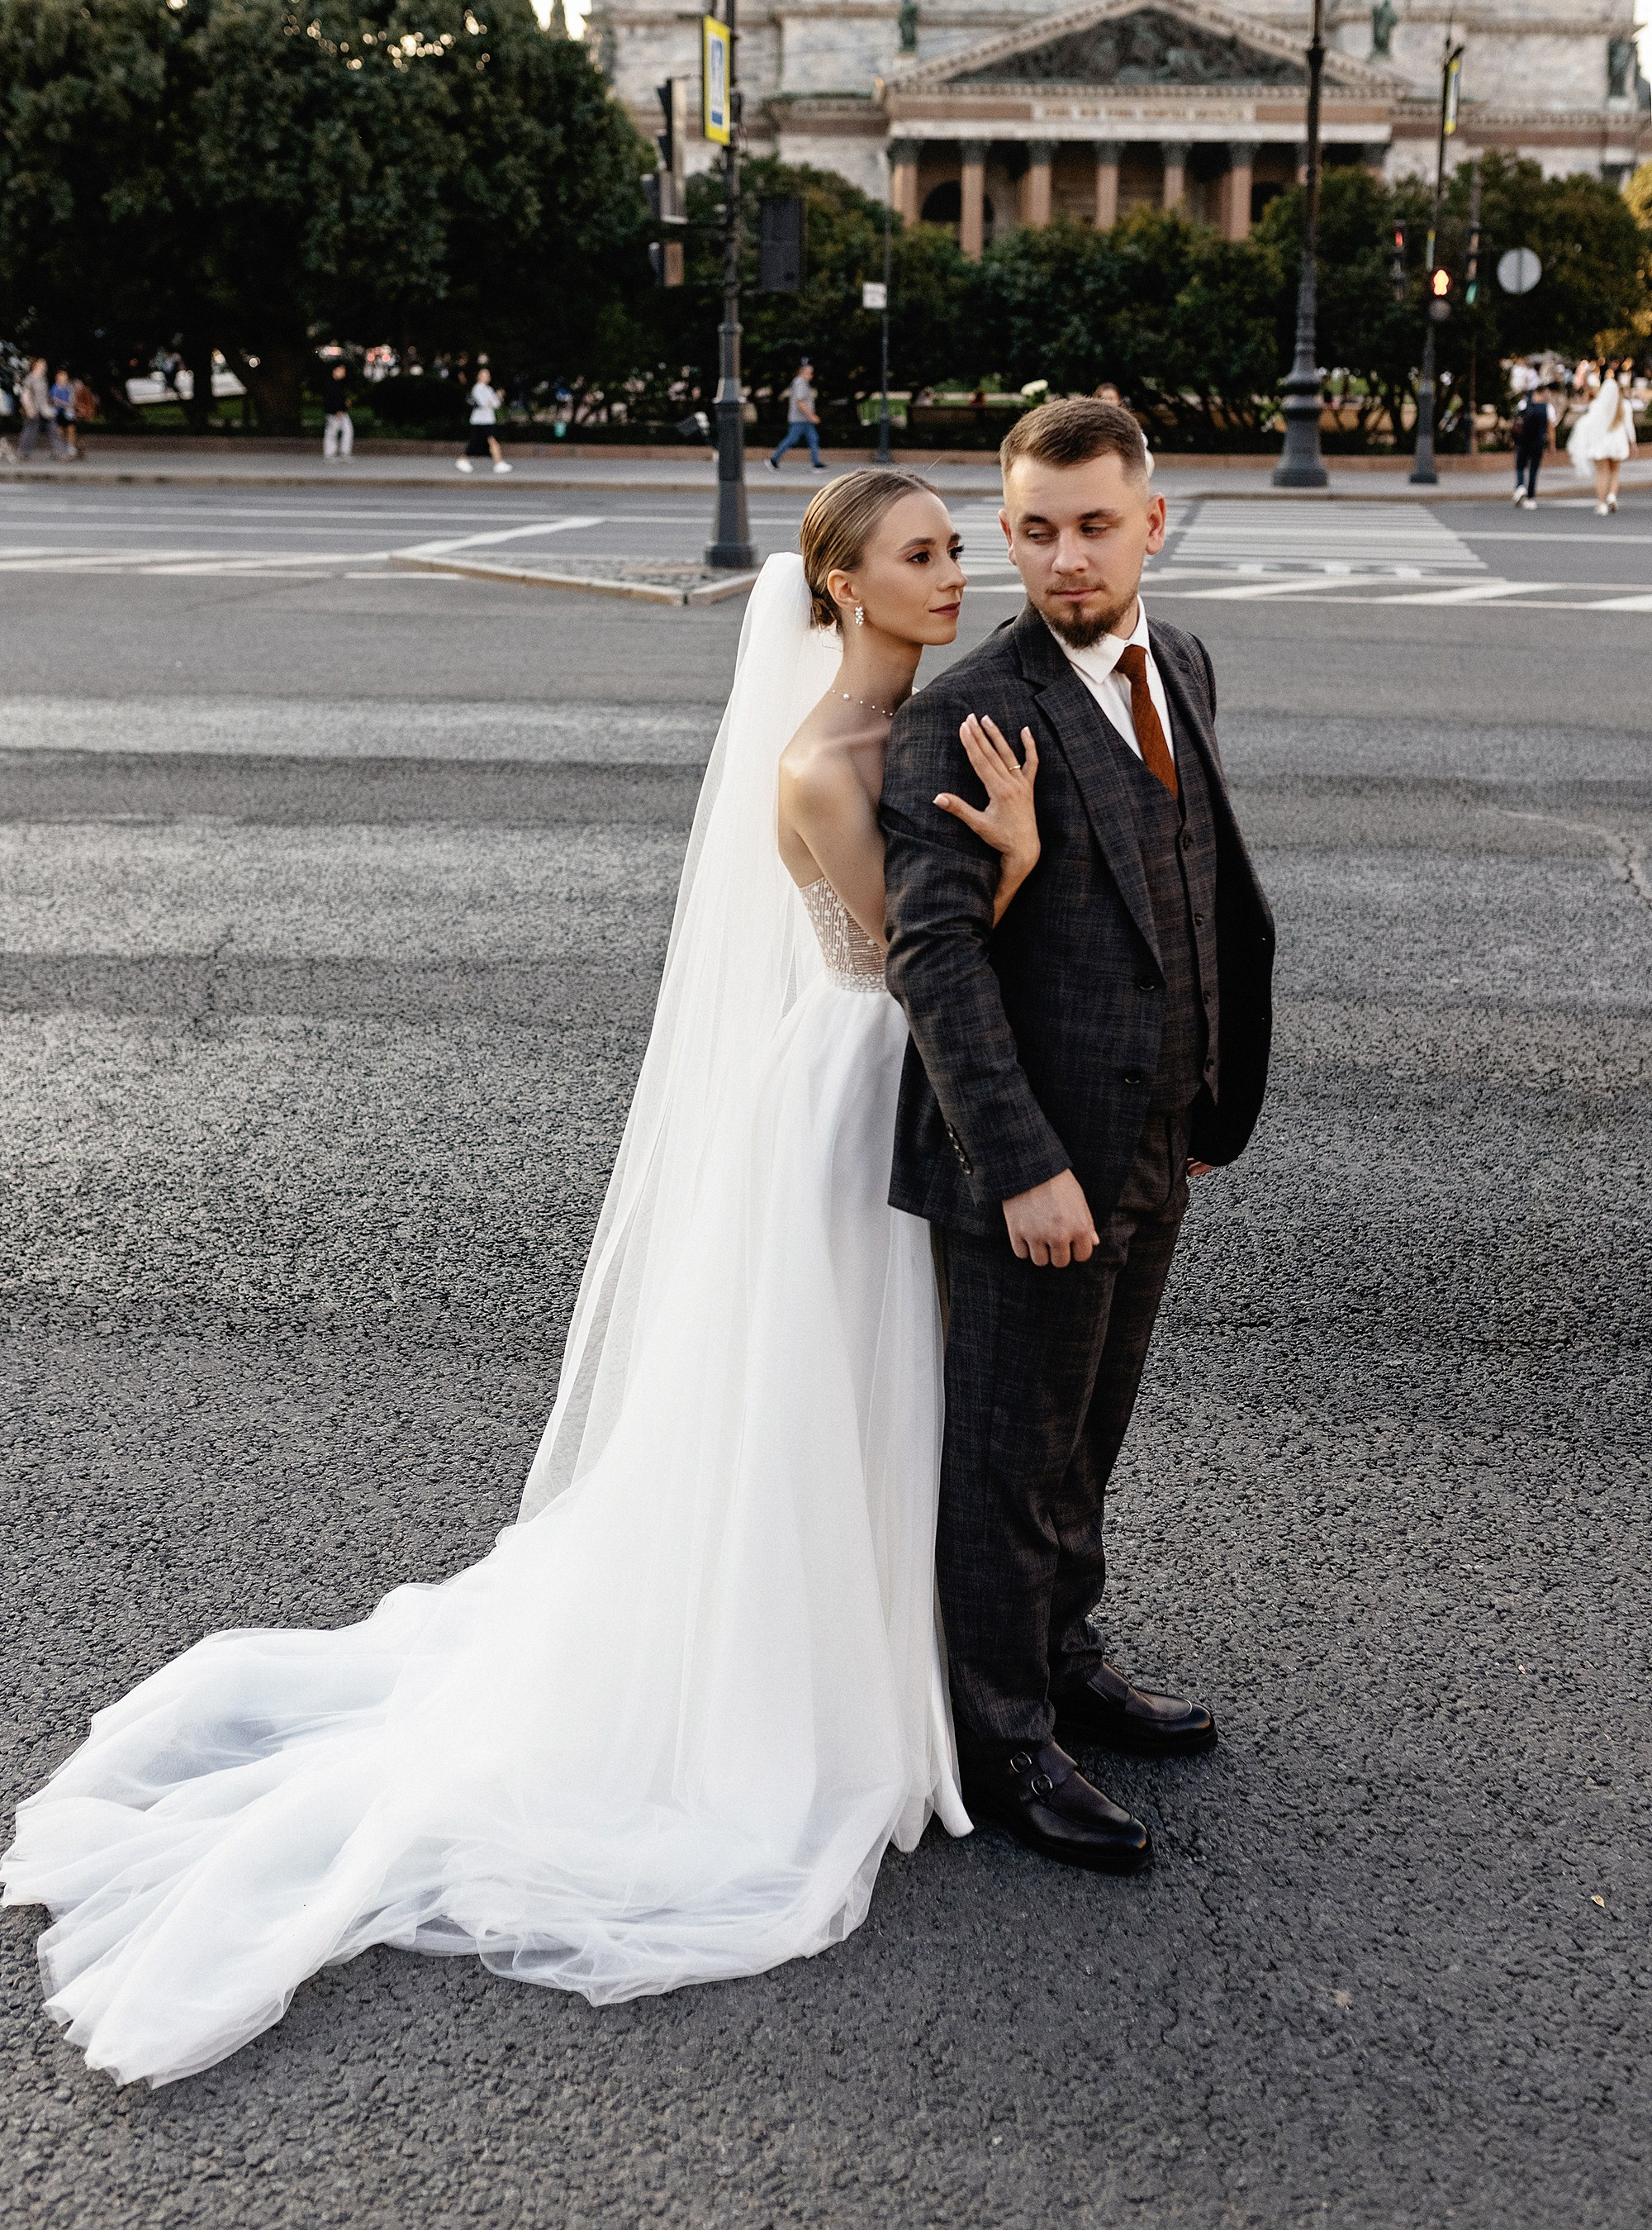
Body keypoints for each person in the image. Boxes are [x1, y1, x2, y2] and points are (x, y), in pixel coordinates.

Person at [2, 468, 1044, 2088]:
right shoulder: (826, 759)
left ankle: (909, 1656)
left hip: (890, 1084)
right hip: (853, 1093)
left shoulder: (923, 721)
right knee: (829, 1387)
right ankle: (816, 1694)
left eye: (952, 548)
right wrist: (1021, 865)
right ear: (840, 588)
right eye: (921, 555)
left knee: (888, 1390)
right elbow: (920, 957)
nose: (951, 573)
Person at [880, 397, 1275, 1872]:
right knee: (1010, 1443)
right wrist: (1026, 1165)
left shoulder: (1181, 658)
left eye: (1094, 525)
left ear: (1151, 524)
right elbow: (937, 959)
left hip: (1163, 1122)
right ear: (1008, 530)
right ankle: (1005, 1733)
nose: (1064, 560)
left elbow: (1201, 883)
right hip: (1035, 1154)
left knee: (1090, 1425)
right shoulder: (967, 706)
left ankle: (1064, 1652)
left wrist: (1210, 1096)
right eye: (1035, 531)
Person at [1567, 359, 1634, 513]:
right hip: (1617, 442)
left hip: (1601, 443)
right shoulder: (1623, 407)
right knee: (1615, 471)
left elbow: (1586, 425)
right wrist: (1633, 442)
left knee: (1602, 473)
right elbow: (1629, 426)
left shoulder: (1597, 407)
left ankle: (1602, 503)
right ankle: (1612, 496)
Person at [768, 358, 824, 470]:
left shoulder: (802, 383)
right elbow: (800, 402)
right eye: (810, 373)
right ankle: (773, 459)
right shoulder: (800, 383)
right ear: (803, 372)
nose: (812, 375)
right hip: (799, 419)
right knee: (792, 439)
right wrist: (812, 416)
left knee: (813, 439)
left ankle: (816, 463)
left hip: (804, 419)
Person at [457, 364, 512, 473]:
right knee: (478, 443)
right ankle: (463, 460)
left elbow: (495, 405)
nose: (486, 377)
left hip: (488, 420)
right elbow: (483, 403)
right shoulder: (477, 389)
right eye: (483, 375)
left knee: (490, 441)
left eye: (487, 375)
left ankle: (498, 463)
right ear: (478, 376)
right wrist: (494, 398)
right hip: (479, 421)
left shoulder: (489, 389)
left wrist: (498, 397)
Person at [1512, 385, 1555, 507]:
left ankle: (1520, 486)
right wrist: (1552, 445)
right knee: (1533, 469)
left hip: (1523, 441)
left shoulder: (1523, 404)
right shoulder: (1548, 408)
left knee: (1520, 466)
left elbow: (1517, 423)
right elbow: (1551, 427)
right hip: (1538, 442)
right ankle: (1530, 498)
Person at [17, 358, 61, 459]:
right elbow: (25, 394)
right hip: (33, 409)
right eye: (42, 364)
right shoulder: (30, 378)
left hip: (45, 409)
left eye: (44, 364)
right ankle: (23, 453)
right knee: (29, 431)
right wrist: (28, 408)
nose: (44, 366)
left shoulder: (43, 379)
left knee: (53, 429)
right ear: (36, 365)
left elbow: (45, 396)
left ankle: (60, 452)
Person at [321, 362, 354, 459]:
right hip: (335, 413)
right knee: (332, 432)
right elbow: (330, 399)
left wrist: (345, 402)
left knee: (348, 431)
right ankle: (329, 454)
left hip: (341, 412)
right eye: (341, 370)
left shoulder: (339, 383)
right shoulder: (330, 384)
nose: (344, 373)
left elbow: (339, 398)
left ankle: (345, 452)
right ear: (335, 371)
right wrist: (337, 410)